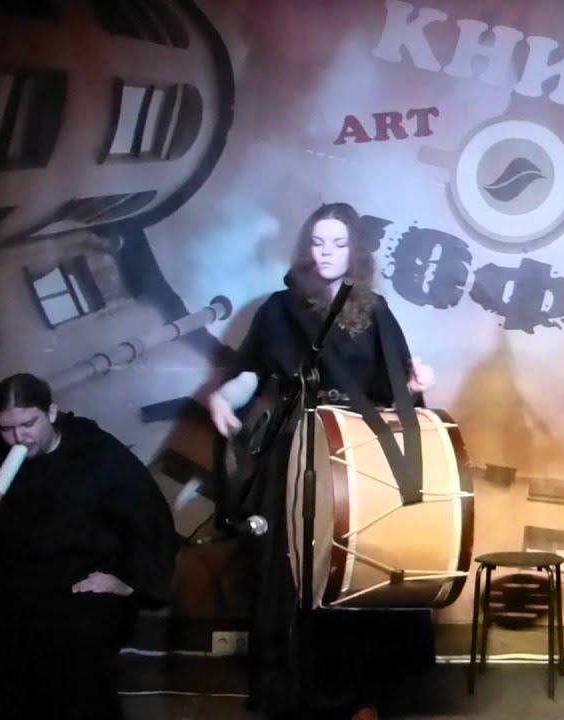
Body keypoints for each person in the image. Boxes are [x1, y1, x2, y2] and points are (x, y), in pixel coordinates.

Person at [206, 201, 434, 720]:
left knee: (352, 568)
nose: (326, 252)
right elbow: (251, 374)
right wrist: (222, 397)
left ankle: (360, 696)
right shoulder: (277, 309)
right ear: (306, 248)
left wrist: (416, 383)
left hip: (356, 453)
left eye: (338, 243)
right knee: (290, 573)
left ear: (355, 252)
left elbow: (397, 388)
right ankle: (292, 695)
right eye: (318, 242)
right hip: (293, 450)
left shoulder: (374, 310)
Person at [0, 373, 177, 720]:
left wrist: (127, 582)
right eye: (7, 429)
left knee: (67, 640)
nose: (19, 438)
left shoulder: (96, 452)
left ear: (51, 413)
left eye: (29, 424)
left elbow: (148, 521)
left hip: (76, 581)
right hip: (1, 576)